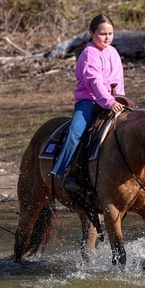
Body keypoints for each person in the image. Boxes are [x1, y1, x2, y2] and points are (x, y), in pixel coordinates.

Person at [51, 14, 125, 192]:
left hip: (114, 100)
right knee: (76, 131)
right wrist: (108, 101)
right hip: (89, 101)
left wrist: (121, 99)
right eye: (102, 34)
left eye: (110, 33)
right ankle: (64, 172)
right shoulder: (88, 54)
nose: (107, 37)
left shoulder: (113, 52)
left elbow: (119, 79)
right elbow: (94, 81)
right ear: (91, 33)